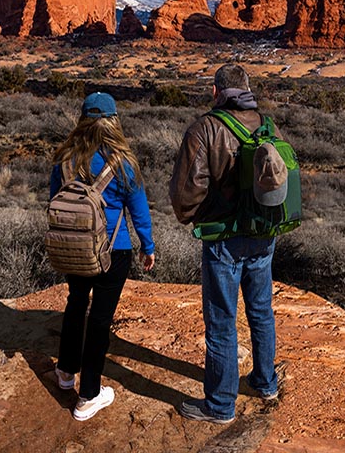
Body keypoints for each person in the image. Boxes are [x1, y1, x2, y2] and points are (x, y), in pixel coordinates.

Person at [170, 64, 282, 424]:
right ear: (246, 90)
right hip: (263, 235)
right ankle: (265, 382)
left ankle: (220, 405)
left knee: (221, 321)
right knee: (261, 311)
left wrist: (196, 218)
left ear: (216, 92)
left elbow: (186, 192)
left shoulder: (204, 129)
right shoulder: (266, 125)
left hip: (223, 240)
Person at [50, 91, 156, 421]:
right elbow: (139, 210)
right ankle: (88, 396)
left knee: (75, 304)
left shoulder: (65, 158)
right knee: (99, 319)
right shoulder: (123, 162)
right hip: (114, 249)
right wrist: (148, 246)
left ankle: (65, 372)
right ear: (113, 121)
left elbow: (55, 201)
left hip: (74, 246)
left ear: (83, 119)